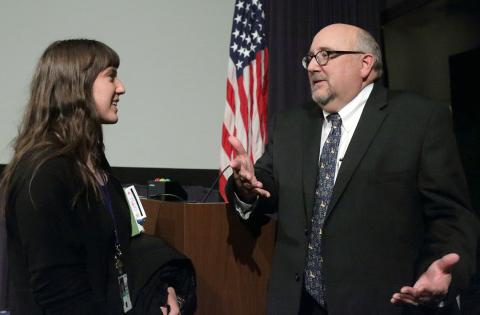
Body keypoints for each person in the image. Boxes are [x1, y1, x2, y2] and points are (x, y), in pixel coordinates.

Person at [226, 23, 479, 315]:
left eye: (326, 55)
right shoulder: (291, 124)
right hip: (298, 304)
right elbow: (263, 187)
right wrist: (245, 187)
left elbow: (451, 216)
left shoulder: (418, 119)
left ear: (365, 63)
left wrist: (447, 271)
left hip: (382, 304)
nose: (312, 67)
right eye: (309, 58)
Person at [0, 39, 188, 315]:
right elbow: (59, 296)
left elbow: (120, 248)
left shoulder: (92, 162)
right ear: (77, 85)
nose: (121, 87)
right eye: (111, 76)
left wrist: (161, 288)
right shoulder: (43, 176)